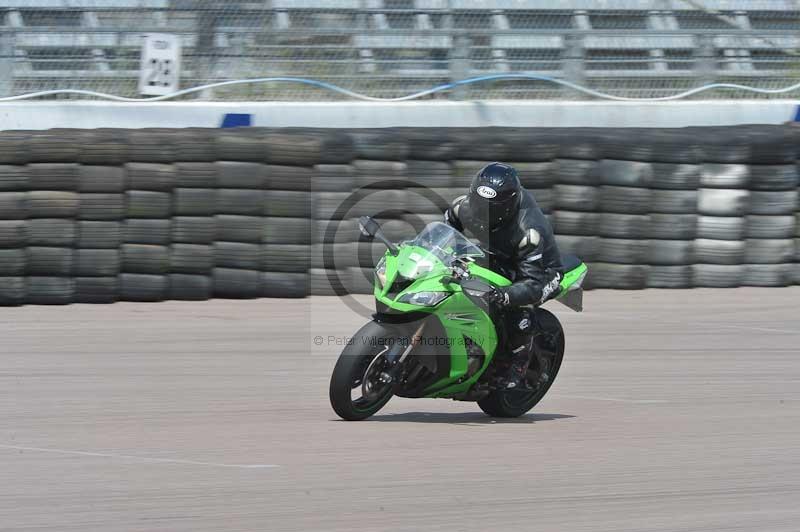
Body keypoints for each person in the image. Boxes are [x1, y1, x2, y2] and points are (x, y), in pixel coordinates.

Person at [443, 162, 564, 391]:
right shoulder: (464, 207)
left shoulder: (528, 233)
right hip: (496, 253)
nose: (480, 211)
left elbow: (532, 284)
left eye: (490, 207)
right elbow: (449, 225)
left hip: (541, 272)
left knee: (516, 309)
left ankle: (518, 363)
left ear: (506, 207)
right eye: (478, 203)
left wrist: (504, 295)